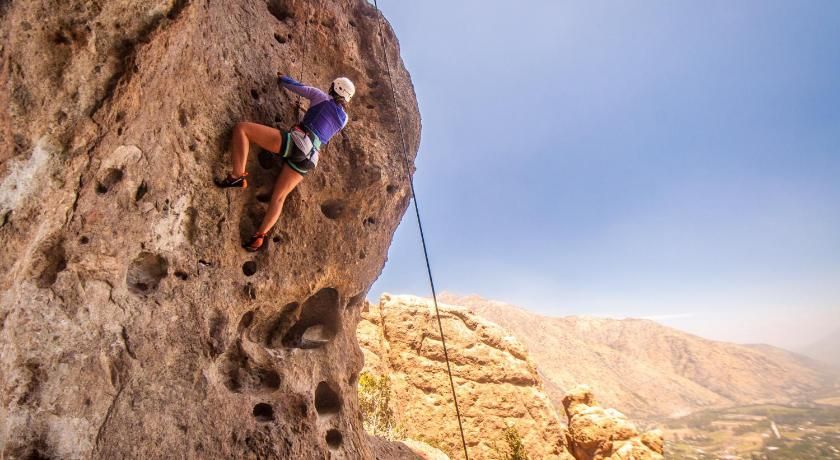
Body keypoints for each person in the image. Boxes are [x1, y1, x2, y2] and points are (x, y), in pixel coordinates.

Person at [215, 74, 355, 251]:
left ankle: (237, 176)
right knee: (279, 197)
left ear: (334, 88)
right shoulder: (343, 120)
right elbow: (322, 124)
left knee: (242, 129)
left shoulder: (320, 96)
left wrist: (282, 77)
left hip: (298, 142)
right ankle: (259, 237)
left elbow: (292, 85)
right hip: (311, 158)